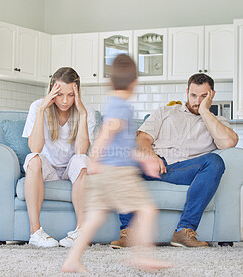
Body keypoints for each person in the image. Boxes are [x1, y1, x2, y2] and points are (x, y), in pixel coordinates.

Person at [62, 54, 172, 273]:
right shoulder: (122, 107)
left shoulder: (111, 102)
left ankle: (72, 260)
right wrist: (94, 157)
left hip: (105, 172)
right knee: (148, 209)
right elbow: (108, 132)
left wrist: (142, 159)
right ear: (134, 84)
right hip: (118, 173)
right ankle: (143, 256)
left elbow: (118, 144)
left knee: (94, 218)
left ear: (110, 82)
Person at [111, 73, 239, 248]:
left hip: (185, 170)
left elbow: (229, 142)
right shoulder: (166, 111)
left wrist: (204, 111)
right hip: (155, 163)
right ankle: (129, 233)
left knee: (215, 162)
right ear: (187, 92)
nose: (197, 101)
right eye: (193, 95)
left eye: (203, 96)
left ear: (212, 95)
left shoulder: (217, 121)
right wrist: (151, 156)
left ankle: (184, 232)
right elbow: (142, 139)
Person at [22, 67, 96, 247]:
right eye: (59, 94)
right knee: (33, 158)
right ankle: (35, 232)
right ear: (51, 90)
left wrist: (83, 114)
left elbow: (81, 151)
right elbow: (35, 147)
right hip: (48, 170)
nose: (64, 101)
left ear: (77, 92)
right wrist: (41, 110)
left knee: (82, 160)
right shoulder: (38, 107)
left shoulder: (87, 112)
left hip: (71, 169)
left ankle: (80, 231)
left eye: (70, 95)